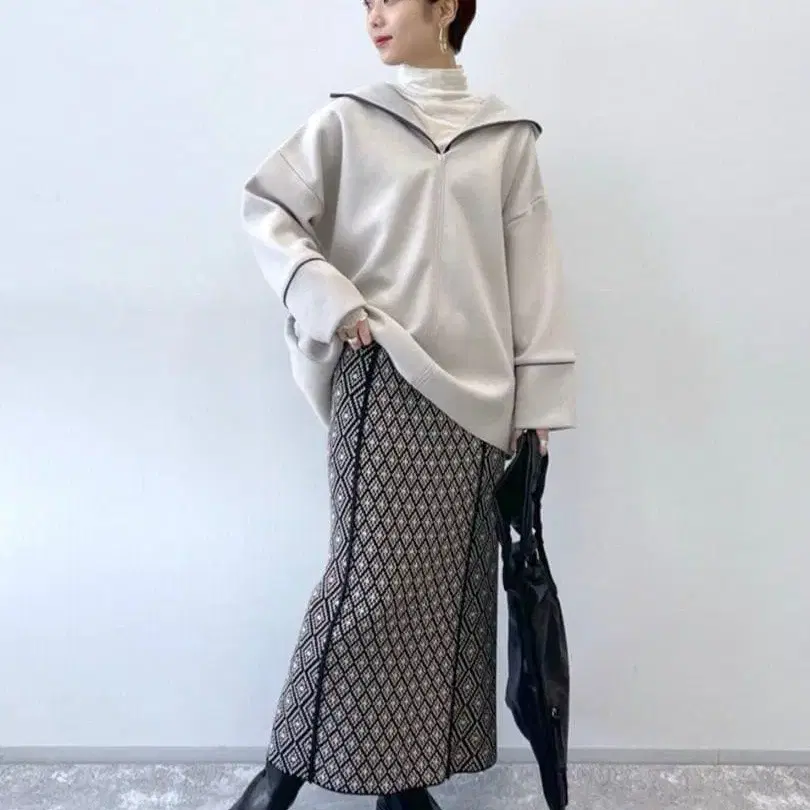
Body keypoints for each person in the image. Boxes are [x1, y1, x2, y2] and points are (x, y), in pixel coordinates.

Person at [230, 0, 576, 808]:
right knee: (367, 586)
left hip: (480, 405)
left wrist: (537, 405)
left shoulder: (506, 138)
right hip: (385, 377)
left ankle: (403, 786)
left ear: (446, 6)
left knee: (437, 598)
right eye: (367, 4)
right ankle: (277, 780)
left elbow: (534, 273)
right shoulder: (350, 121)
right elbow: (268, 208)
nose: (375, 16)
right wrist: (329, 298)